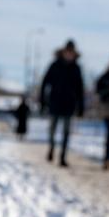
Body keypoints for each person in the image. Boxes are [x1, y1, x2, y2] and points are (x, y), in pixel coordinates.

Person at [39, 39, 85, 167]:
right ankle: (52, 148)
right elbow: (45, 83)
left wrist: (81, 106)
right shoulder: (55, 65)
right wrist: (42, 102)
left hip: (69, 105)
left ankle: (63, 157)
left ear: (74, 53)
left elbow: (80, 88)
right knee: (52, 130)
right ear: (64, 52)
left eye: (71, 52)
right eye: (67, 52)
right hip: (54, 103)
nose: (69, 54)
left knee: (66, 132)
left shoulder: (76, 68)